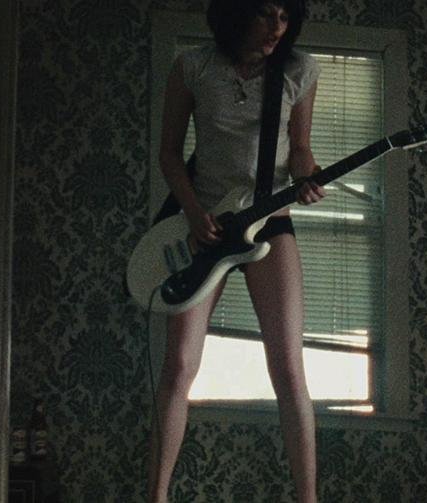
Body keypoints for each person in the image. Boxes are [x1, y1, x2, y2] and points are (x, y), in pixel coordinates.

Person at [148, 1, 323, 502]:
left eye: (285, 18)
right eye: (266, 14)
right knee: (179, 365)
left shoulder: (299, 70)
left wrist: (309, 176)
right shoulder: (193, 67)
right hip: (203, 223)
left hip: (271, 222)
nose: (276, 28)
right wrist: (192, 211)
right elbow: (169, 153)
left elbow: (300, 147)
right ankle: (156, 496)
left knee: (289, 368)